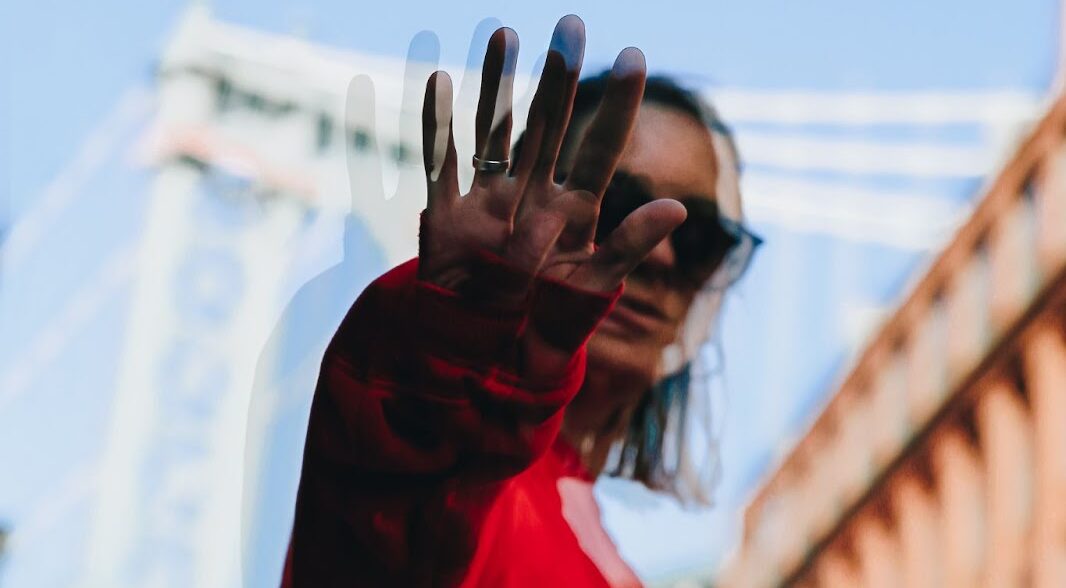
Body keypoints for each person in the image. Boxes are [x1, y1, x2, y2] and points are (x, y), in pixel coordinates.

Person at [282, 15, 761, 587]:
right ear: (527, 206)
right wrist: (450, 348)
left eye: (700, 236)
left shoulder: (605, 561)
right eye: (612, 204)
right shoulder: (451, 476)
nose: (658, 255)